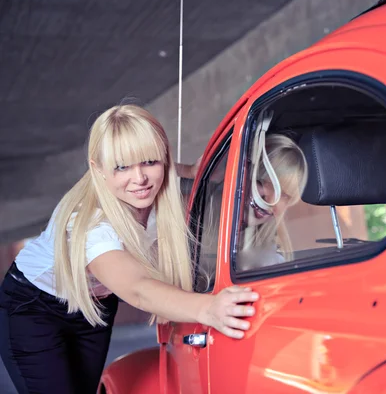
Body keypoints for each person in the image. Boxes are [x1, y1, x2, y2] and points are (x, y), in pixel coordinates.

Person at [0, 104, 259, 394]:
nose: (140, 179)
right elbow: (137, 288)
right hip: (33, 306)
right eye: (122, 167)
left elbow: (163, 167)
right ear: (98, 168)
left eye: (150, 162)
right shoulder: (91, 224)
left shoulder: (156, 187)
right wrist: (208, 308)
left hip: (94, 305)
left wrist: (192, 170)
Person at [235, 128, 308, 272]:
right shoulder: (203, 218)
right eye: (265, 182)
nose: (272, 200)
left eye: (284, 195)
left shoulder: (272, 263)